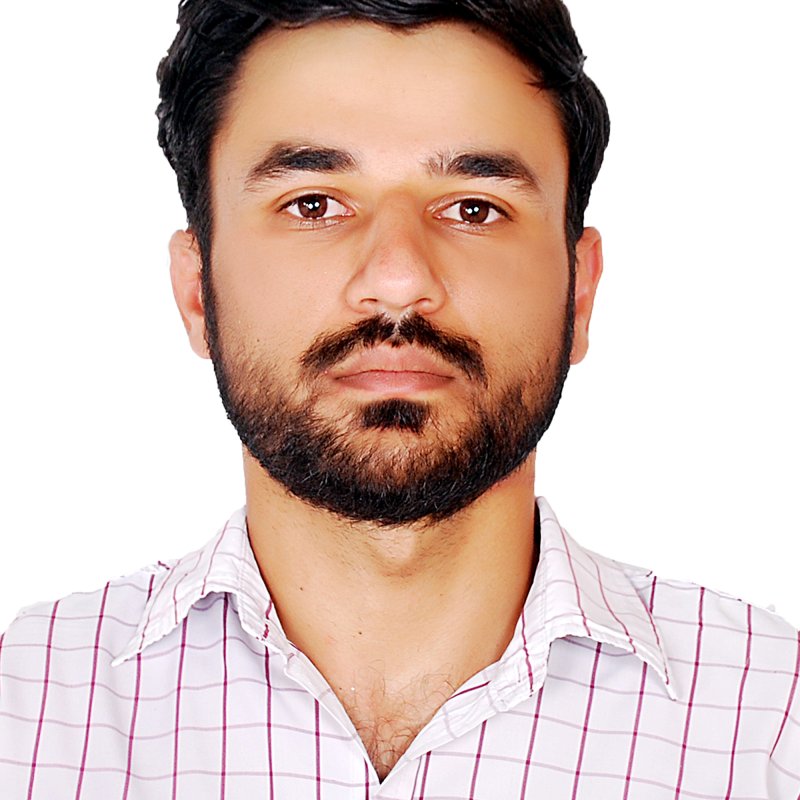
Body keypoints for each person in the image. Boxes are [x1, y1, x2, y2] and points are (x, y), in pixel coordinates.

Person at [1, 0, 797, 797]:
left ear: (579, 295)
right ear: (197, 292)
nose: (398, 280)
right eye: (313, 204)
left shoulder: (771, 725)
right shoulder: (24, 709)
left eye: (474, 208)